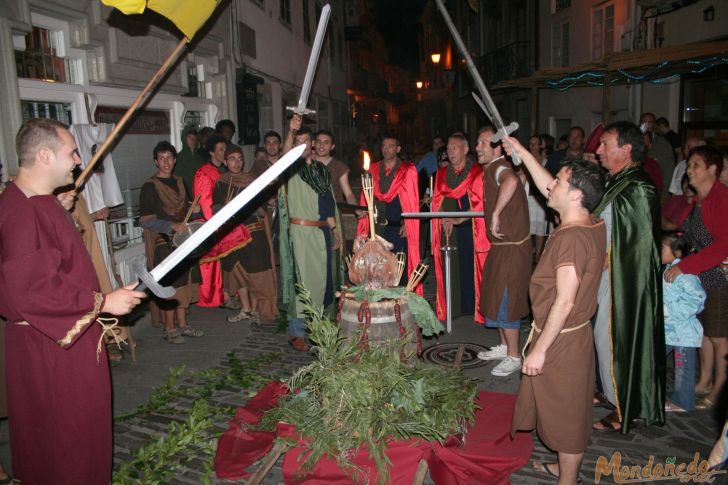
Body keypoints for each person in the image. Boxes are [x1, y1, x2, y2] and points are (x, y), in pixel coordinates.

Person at [0, 118, 144, 484]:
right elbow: (32, 290)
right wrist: (104, 303)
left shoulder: (33, 202)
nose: (79, 160)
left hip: (51, 341)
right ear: (45, 156)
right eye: (71, 152)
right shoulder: (24, 212)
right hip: (53, 347)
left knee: (60, 433)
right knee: (69, 436)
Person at [505, 136, 606, 485]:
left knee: (567, 416)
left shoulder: (570, 238)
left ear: (576, 194)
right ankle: (565, 470)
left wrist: (540, 350)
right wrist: (522, 152)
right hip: (573, 335)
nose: (551, 186)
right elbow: (546, 181)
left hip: (561, 339)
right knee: (567, 408)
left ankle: (568, 480)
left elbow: (564, 300)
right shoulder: (590, 220)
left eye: (560, 182)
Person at [592, 121, 665, 433]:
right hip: (608, 273)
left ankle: (625, 407)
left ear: (626, 149)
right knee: (602, 337)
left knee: (615, 339)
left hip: (625, 280)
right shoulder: (619, 181)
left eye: (605, 144)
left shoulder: (638, 186)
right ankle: (611, 391)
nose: (598, 150)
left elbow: (637, 245)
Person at [665, 145, 728, 410]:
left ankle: (721, 389)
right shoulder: (699, 199)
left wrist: (686, 266)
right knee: (704, 333)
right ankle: (704, 381)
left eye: (696, 165)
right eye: (689, 165)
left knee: (719, 335)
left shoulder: (721, 198)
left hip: (720, 276)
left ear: (713, 169)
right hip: (702, 274)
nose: (689, 170)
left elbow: (724, 244)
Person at [279, 115, 341, 351]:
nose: (301, 146)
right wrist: (290, 132)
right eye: (298, 142)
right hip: (300, 233)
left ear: (313, 144)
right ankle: (297, 332)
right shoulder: (291, 169)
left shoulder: (321, 171)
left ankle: (318, 330)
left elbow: (328, 205)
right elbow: (283, 159)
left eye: (305, 141)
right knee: (302, 284)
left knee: (322, 284)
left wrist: (334, 231)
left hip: (321, 232)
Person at [475, 126, 532, 377]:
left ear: (497, 147)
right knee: (495, 295)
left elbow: (510, 180)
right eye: (478, 143)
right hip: (501, 248)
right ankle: (503, 347)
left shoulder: (499, 167)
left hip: (512, 250)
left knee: (507, 300)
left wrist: (496, 213)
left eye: (483, 143)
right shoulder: (493, 168)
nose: (478, 148)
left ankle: (513, 355)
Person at [140, 141, 204, 343]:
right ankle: (169, 328)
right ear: (155, 161)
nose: (166, 162)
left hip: (184, 242)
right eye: (161, 158)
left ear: (175, 160)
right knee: (170, 285)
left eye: (169, 157)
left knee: (185, 283)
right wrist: (171, 226)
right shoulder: (149, 186)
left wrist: (195, 211)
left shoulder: (180, 181)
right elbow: (146, 220)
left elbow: (187, 209)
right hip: (164, 242)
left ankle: (183, 325)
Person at [214, 145, 278, 324]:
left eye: (240, 158)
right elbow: (215, 207)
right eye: (232, 159)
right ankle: (246, 308)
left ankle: (258, 310)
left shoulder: (253, 181)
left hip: (252, 233)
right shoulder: (221, 182)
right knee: (237, 272)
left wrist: (244, 206)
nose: (236, 162)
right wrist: (225, 207)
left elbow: (263, 210)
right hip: (230, 235)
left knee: (255, 272)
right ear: (225, 162)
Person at [431, 132, 488, 323]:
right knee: (450, 267)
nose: (450, 151)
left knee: (470, 266)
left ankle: (473, 307)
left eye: (454, 147)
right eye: (448, 148)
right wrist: (440, 220)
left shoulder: (477, 173)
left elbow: (480, 203)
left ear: (465, 149)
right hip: (448, 227)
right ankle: (452, 307)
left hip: (470, 227)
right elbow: (436, 201)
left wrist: (459, 219)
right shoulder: (441, 174)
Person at [356, 135, 421, 290]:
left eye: (391, 146)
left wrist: (408, 222)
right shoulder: (373, 168)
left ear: (398, 149)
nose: (386, 149)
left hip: (396, 226)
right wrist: (364, 212)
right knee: (375, 265)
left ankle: (400, 300)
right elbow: (366, 197)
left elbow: (411, 199)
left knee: (397, 265)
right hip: (376, 226)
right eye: (384, 146)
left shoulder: (407, 170)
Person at [194, 135, 251, 308]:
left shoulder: (225, 173)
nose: (225, 152)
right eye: (221, 150)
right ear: (212, 152)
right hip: (213, 221)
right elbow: (204, 203)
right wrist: (216, 224)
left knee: (233, 260)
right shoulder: (204, 172)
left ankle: (231, 294)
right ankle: (224, 296)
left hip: (229, 221)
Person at [661, 232, 706, 412]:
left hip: (683, 332)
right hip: (670, 329)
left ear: (678, 252)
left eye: (662, 248)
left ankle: (683, 402)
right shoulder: (670, 268)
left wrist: (667, 310)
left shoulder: (686, 274)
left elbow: (696, 299)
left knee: (683, 367)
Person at [314, 129, 358, 207]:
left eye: (326, 143)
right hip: (310, 211)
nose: (321, 145)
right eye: (319, 142)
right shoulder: (307, 163)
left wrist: (356, 207)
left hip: (333, 210)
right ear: (313, 143)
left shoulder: (339, 166)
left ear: (332, 146)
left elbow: (348, 194)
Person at [525, 135, 549, 262]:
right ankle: (528, 255)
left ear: (540, 146)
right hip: (528, 198)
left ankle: (538, 255)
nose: (533, 146)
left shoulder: (546, 161)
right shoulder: (524, 160)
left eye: (536, 144)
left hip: (540, 199)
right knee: (527, 227)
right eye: (531, 143)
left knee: (540, 227)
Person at [640, 112, 674, 196]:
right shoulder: (633, 142)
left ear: (655, 125)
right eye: (644, 122)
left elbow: (668, 172)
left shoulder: (663, 145)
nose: (646, 125)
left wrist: (665, 194)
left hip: (656, 193)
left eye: (650, 122)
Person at [175, 126, 205, 194]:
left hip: (199, 196)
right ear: (184, 139)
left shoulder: (201, 159)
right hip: (184, 197)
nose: (192, 139)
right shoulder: (178, 158)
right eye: (189, 137)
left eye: (194, 137)